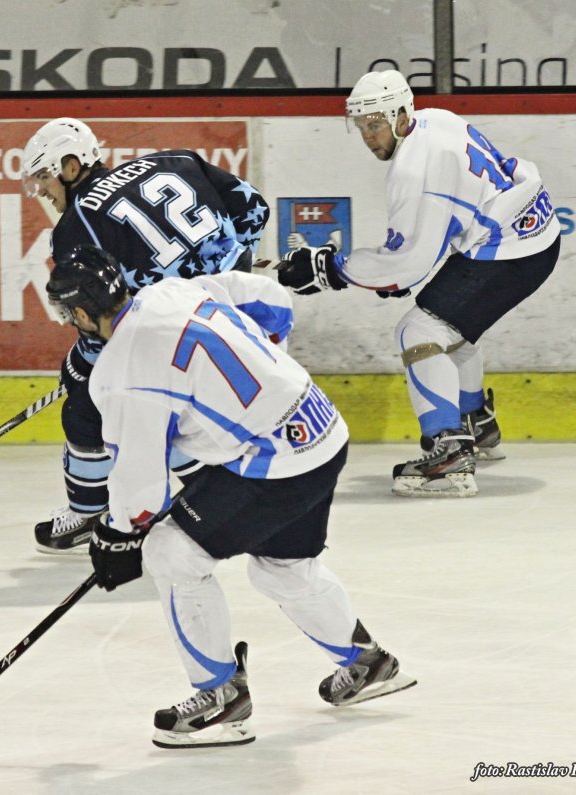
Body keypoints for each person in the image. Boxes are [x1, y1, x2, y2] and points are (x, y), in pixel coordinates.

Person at [46, 243, 416, 748]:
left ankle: (220, 698)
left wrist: (118, 534)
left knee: (170, 552)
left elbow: (142, 487)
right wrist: (268, 374)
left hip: (274, 463)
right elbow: (269, 300)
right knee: (282, 567)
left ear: (84, 314)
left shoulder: (120, 375)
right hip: (321, 428)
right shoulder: (171, 292)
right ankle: (367, 663)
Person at [273, 70, 560, 497]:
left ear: (401, 115)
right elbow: (435, 236)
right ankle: (476, 422)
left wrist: (327, 268)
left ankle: (449, 450)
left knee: (420, 330)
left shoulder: (414, 172)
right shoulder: (436, 118)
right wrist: (385, 273)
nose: (369, 136)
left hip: (511, 251)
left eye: (376, 124)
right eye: (362, 126)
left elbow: (407, 263)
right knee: (451, 325)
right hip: (532, 231)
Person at [21, 117, 270, 551]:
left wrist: (81, 364)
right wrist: (232, 274)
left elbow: (101, 317)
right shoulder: (178, 160)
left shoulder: (76, 226)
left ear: (71, 165)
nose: (41, 189)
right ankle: (231, 493)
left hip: (179, 341)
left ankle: (89, 511)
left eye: (44, 176)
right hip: (240, 324)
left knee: (89, 408)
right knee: (184, 408)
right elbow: (254, 210)